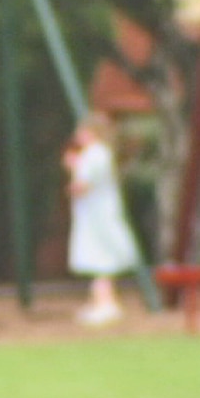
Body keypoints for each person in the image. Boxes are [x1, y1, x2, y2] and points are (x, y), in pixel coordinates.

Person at [64, 112, 139, 327]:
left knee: (100, 259)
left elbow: (82, 186)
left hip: (97, 217)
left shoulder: (94, 154)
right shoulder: (102, 154)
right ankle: (103, 303)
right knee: (102, 259)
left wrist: (72, 169)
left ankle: (105, 305)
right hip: (101, 213)